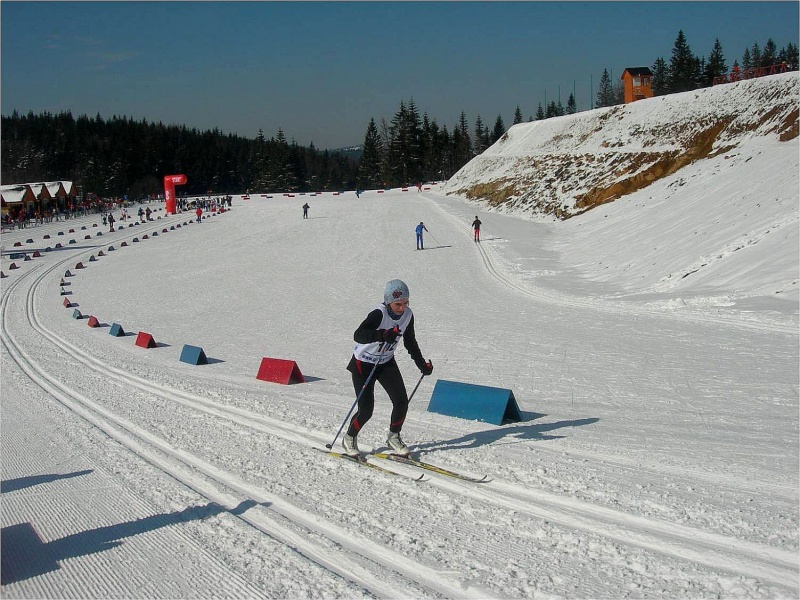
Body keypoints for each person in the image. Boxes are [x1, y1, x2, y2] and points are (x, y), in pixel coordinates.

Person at [343, 279, 433, 457]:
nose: (402, 308)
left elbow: (410, 341)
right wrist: (383, 335)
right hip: (363, 363)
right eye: (398, 304)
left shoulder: (408, 315)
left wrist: (421, 364)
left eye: (406, 303)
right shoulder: (379, 313)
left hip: (385, 362)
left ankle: (393, 437)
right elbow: (358, 335)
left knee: (401, 402)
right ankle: (349, 437)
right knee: (366, 410)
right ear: (388, 301)